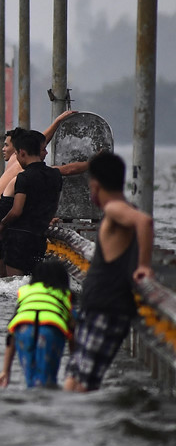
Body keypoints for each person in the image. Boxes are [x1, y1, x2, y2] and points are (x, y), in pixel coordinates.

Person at [64, 152, 154, 392]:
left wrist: (144, 266)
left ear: (95, 184)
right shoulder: (118, 209)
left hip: (108, 307)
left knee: (82, 383)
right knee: (74, 380)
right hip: (98, 306)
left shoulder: (115, 208)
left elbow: (144, 222)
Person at [0, 260, 74, 389]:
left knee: (30, 380)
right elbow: (73, 333)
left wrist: (5, 371)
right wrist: (74, 368)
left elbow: (11, 333)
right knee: (48, 382)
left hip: (23, 331)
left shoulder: (26, 292)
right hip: (51, 330)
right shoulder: (64, 294)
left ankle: (29, 405)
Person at [0, 128, 63, 277]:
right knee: (33, 280)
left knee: (14, 285)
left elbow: (17, 210)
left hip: (18, 238)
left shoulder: (24, 177)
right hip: (39, 237)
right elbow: (54, 205)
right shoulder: (55, 175)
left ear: (22, 153)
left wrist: (2, 225)